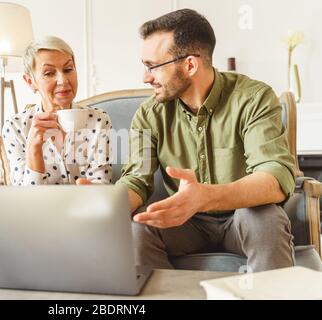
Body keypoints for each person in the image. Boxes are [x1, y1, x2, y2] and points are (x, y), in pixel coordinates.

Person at [116, 9, 296, 272]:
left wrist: (204, 197)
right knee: (138, 228)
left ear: (190, 65)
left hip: (242, 217)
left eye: (153, 66)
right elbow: (136, 180)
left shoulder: (253, 98)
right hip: (184, 224)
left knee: (264, 219)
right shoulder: (148, 114)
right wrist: (103, 205)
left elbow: (274, 178)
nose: (146, 77)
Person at [2, 36, 112, 186]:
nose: (63, 80)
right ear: (30, 82)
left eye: (68, 70)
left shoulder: (98, 120)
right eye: (49, 73)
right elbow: (25, 199)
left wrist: (92, 189)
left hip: (85, 208)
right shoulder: (15, 127)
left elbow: (102, 185)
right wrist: (34, 148)